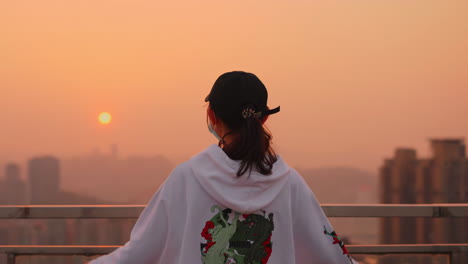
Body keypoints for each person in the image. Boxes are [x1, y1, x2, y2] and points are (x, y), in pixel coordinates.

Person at [88, 71, 356, 264]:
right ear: (263, 119)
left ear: (211, 116)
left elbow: (139, 253)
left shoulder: (186, 178)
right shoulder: (289, 183)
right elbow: (329, 254)